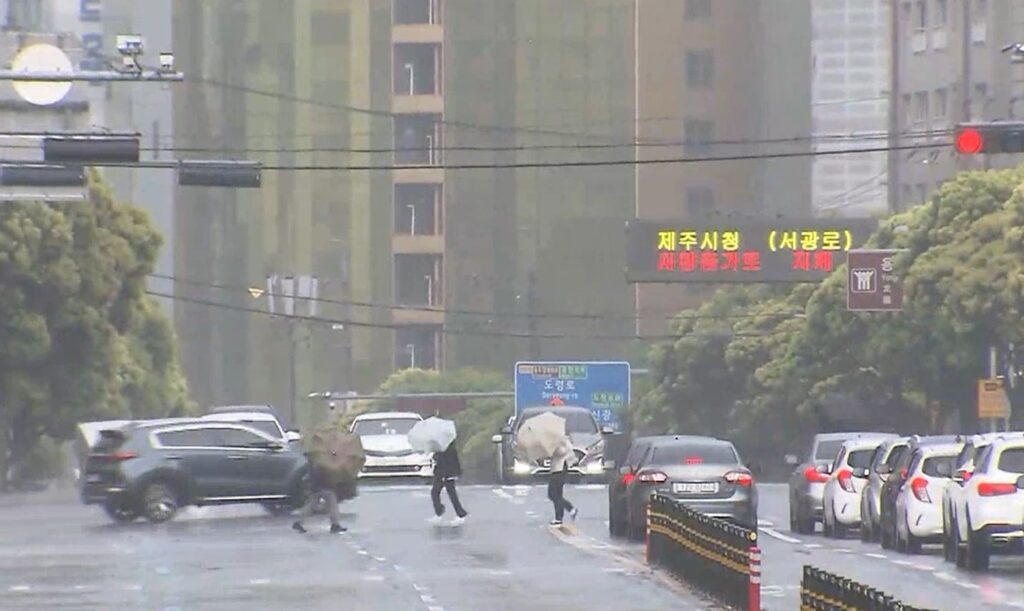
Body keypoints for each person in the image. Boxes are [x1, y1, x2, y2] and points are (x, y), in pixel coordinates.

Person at [292, 460, 346, 534]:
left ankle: (299, 522)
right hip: (322, 483)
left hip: (316, 483)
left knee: (312, 504)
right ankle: (335, 525)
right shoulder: (321, 457)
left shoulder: (315, 457)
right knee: (331, 502)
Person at [429, 442, 468, 525]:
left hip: (447, 473)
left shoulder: (448, 448)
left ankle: (460, 514)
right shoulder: (441, 447)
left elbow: (450, 461)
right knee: (435, 492)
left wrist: (451, 473)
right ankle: (439, 512)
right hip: (441, 473)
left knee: (451, 494)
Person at [547, 435, 578, 526]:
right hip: (556, 468)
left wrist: (551, 451)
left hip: (560, 468)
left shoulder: (560, 438)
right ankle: (559, 517)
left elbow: (562, 451)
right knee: (557, 494)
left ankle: (570, 509)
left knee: (553, 494)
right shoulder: (556, 438)